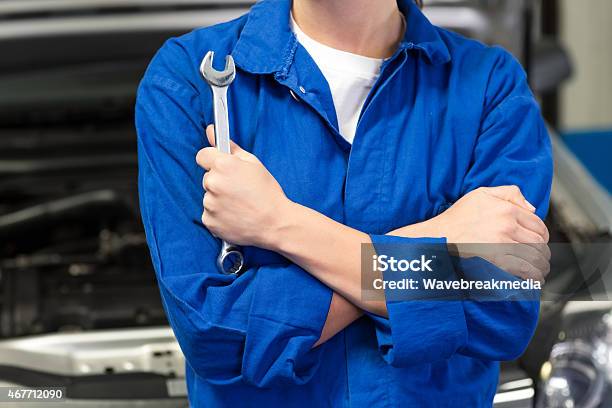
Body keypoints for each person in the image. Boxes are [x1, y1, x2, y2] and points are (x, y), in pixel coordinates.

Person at [135, 0, 553, 406]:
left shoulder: (489, 85)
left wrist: (279, 222)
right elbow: (219, 334)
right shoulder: (186, 78)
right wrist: (434, 245)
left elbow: (501, 314)